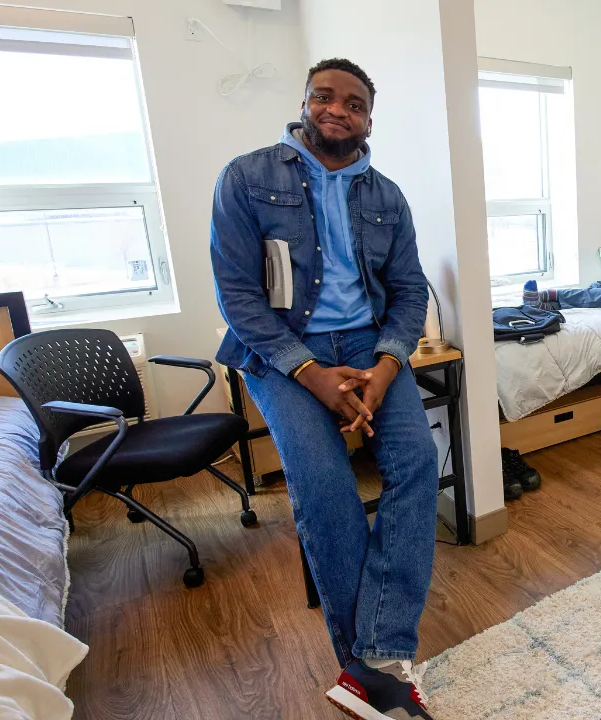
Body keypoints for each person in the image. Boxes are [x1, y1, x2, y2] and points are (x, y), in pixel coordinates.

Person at [210, 58, 436, 720]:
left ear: (370, 116)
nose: (338, 109)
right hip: (283, 353)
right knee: (327, 490)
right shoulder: (247, 178)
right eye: (324, 97)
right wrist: (310, 373)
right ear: (305, 104)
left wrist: (387, 367)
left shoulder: (386, 195)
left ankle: (375, 658)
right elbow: (238, 296)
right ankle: (369, 664)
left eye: (354, 102)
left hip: (371, 349)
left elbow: (409, 290)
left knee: (418, 466)